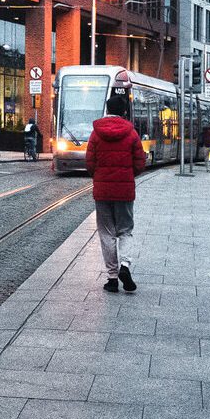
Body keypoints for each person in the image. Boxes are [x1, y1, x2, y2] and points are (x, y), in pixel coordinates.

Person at [86, 95, 144, 294]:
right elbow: (140, 162)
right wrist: (127, 176)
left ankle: (112, 278)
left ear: (107, 109)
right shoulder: (132, 133)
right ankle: (125, 266)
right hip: (125, 191)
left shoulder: (96, 134)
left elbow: (90, 162)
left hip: (102, 191)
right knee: (125, 230)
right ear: (125, 111)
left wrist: (100, 176)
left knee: (107, 233)